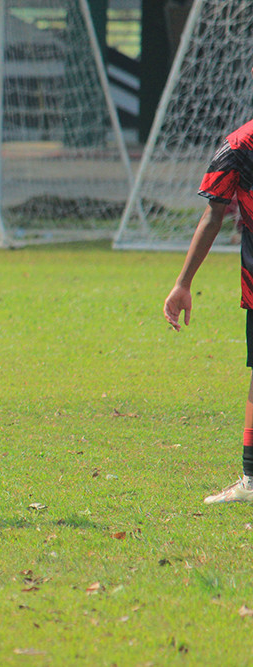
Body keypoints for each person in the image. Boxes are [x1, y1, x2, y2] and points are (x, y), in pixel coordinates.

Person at [164, 117, 253, 504]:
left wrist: (183, 282)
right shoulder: (236, 148)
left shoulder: (237, 146)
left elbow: (213, 216)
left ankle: (251, 481)